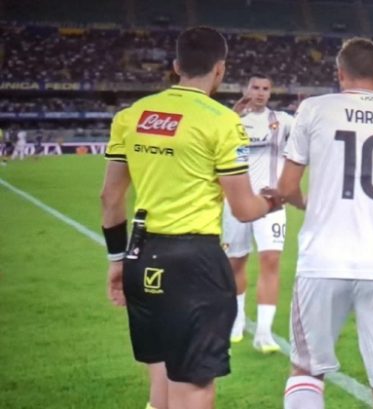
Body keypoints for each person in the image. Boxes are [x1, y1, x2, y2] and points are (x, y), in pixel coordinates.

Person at [100, 27, 280, 409]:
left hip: (140, 255)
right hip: (194, 263)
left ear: (176, 66)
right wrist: (273, 202)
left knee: (160, 379)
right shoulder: (222, 121)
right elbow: (244, 208)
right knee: (193, 386)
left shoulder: (131, 115)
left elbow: (110, 198)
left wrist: (117, 260)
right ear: (220, 69)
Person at [277, 38, 373, 409]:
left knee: (307, 370)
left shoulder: (314, 109)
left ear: (340, 73)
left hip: (323, 261)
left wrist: (309, 204)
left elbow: (287, 187)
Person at [221, 73, 293, 353]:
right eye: (255, 87)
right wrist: (232, 115)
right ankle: (236, 320)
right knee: (236, 262)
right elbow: (213, 144)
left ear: (270, 93)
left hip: (270, 202)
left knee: (270, 260)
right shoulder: (231, 120)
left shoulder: (282, 121)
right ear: (246, 89)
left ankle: (264, 333)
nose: (260, 92)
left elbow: (309, 135)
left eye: (265, 88)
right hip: (236, 202)